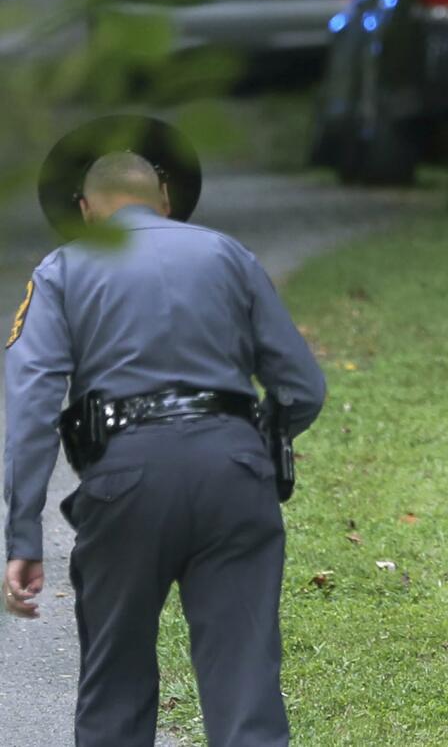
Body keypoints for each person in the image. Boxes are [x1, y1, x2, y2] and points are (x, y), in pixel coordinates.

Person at [3, 116, 327, 747]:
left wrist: (23, 535)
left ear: (85, 211)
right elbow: (303, 388)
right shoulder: (227, 254)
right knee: (244, 692)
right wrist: (252, 446)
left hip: (126, 482)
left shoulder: (63, 268)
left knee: (115, 688)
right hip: (235, 474)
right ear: (168, 201)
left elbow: (34, 405)